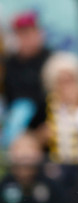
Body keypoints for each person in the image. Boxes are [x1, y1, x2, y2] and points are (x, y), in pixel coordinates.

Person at [29, 52, 78, 165]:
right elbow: (31, 135)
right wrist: (41, 136)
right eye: (61, 81)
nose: (66, 87)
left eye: (70, 80)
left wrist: (76, 105)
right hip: (54, 165)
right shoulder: (45, 106)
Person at [1, 11, 53, 149]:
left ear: (38, 33)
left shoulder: (52, 60)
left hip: (46, 125)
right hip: (16, 129)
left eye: (29, 33)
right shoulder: (8, 64)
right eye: (21, 34)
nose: (26, 39)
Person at [0, 133, 66, 203]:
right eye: (19, 149)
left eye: (30, 148)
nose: (25, 153)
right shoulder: (5, 184)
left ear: (39, 153)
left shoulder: (49, 184)